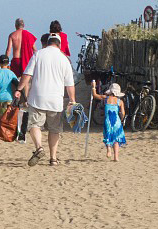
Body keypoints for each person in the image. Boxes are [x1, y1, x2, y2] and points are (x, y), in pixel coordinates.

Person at [14, 33, 76, 167]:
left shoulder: (38, 54)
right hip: (56, 100)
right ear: (59, 44)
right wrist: (72, 100)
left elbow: (27, 75)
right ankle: (53, 159)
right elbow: (69, 84)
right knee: (55, 130)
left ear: (47, 42)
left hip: (37, 98)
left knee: (34, 125)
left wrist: (19, 89)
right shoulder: (64, 59)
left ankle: (39, 148)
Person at [91, 80, 126, 161]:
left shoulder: (106, 98)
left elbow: (95, 95)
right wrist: (121, 119)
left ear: (110, 91)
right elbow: (123, 113)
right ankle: (116, 157)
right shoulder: (120, 102)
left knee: (107, 135)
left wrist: (93, 87)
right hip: (117, 121)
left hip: (108, 121)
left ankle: (109, 150)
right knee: (116, 138)